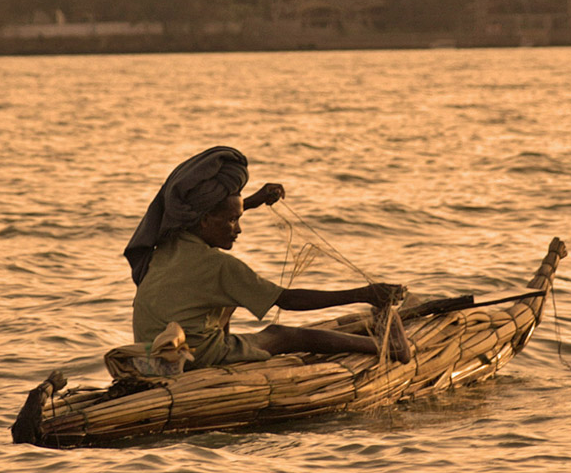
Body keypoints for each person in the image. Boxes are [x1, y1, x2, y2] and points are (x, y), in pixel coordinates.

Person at [125, 146, 410, 370]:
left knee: (228, 300)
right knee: (282, 334)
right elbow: (289, 300)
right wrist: (365, 294)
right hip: (194, 356)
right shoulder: (219, 266)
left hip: (155, 350)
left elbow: (210, 218)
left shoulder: (168, 242)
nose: (239, 228)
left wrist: (251, 202)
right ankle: (392, 348)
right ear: (205, 221)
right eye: (233, 221)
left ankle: (223, 341)